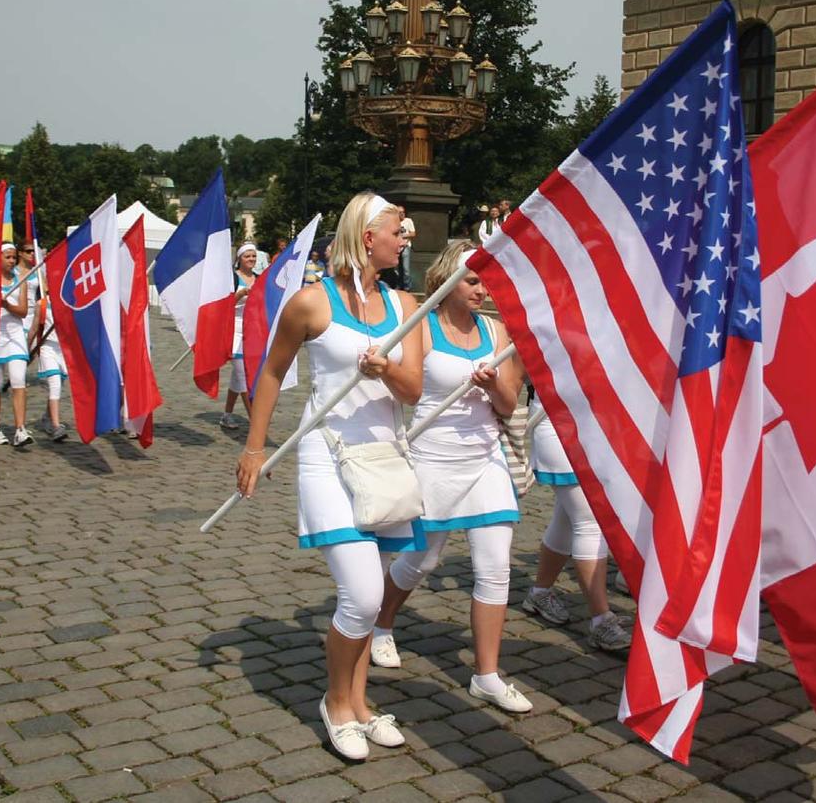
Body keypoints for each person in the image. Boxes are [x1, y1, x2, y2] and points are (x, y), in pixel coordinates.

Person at [237, 192, 422, 761]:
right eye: (398, 229)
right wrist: (253, 447)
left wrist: (386, 368)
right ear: (368, 236)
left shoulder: (407, 303)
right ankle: (336, 704)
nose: (407, 236)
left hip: (383, 459)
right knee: (363, 595)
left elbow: (413, 390)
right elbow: (270, 372)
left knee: (367, 594)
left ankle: (360, 704)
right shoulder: (311, 304)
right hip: (325, 455)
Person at [370, 240, 533, 714]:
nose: (483, 290)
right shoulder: (421, 328)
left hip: (485, 462)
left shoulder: (496, 332)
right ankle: (381, 623)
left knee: (495, 568)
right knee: (421, 560)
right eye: (474, 280)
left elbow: (508, 404)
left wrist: (494, 384)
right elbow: (406, 391)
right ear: (446, 281)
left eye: (487, 282)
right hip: (431, 459)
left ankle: (487, 675)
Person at [522, 397, 632, 651]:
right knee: (590, 522)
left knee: (567, 519)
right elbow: (514, 371)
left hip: (597, 427)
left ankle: (539, 592)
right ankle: (600, 620)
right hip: (558, 427)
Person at [0, 244, 32, 447]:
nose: (11, 261)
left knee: (19, 380)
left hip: (15, 336)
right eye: (7, 257)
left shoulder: (21, 280)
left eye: (14, 257)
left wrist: (7, 305)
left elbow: (24, 311)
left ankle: (20, 429)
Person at [220, 244, 258, 429]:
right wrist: (241, 293)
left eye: (253, 256)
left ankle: (227, 415)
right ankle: (256, 421)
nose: (251, 259)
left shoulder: (258, 279)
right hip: (233, 330)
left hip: (251, 332)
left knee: (238, 377)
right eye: (247, 256)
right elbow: (225, 304)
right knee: (243, 375)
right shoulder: (233, 278)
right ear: (240, 258)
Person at [31, 298, 68, 442]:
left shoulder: (69, 302)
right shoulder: (42, 304)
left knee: (59, 384)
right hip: (48, 347)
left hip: (64, 349)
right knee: (55, 384)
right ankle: (56, 426)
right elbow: (34, 328)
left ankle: (47, 417)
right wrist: (28, 350)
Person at [397, 206, 416, 291]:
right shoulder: (395, 222)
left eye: (403, 212)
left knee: (405, 268)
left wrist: (403, 236)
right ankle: (400, 285)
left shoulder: (408, 221)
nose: (402, 214)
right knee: (398, 268)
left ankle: (407, 287)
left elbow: (413, 233)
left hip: (405, 246)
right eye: (400, 212)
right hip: (397, 246)